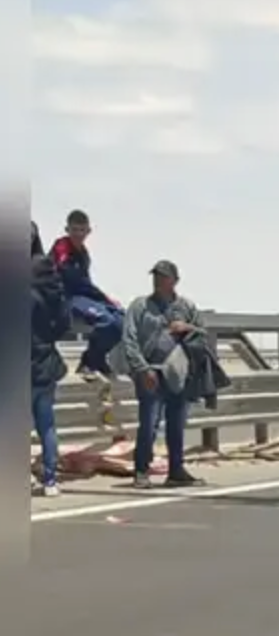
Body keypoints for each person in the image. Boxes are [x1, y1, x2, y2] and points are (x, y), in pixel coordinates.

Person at [120, 260, 205, 489]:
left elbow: (202, 334)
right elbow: (129, 339)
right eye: (156, 276)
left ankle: (176, 470)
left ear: (175, 280)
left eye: (163, 276)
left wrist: (187, 328)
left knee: (177, 424)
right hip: (150, 372)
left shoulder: (186, 306)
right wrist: (142, 369)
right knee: (149, 424)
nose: (158, 281)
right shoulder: (140, 306)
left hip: (178, 373)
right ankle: (141, 470)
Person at [50, 208, 123, 380]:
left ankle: (97, 358)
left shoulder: (84, 254)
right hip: (65, 298)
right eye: (74, 230)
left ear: (88, 231)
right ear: (67, 229)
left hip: (82, 297)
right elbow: (68, 275)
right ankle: (87, 362)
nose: (78, 234)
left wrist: (108, 300)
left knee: (121, 319)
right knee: (107, 321)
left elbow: (86, 284)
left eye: (81, 230)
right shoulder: (62, 247)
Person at [30, 248, 70, 496]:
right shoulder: (57, 294)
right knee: (47, 425)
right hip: (47, 362)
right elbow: (65, 324)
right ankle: (50, 480)